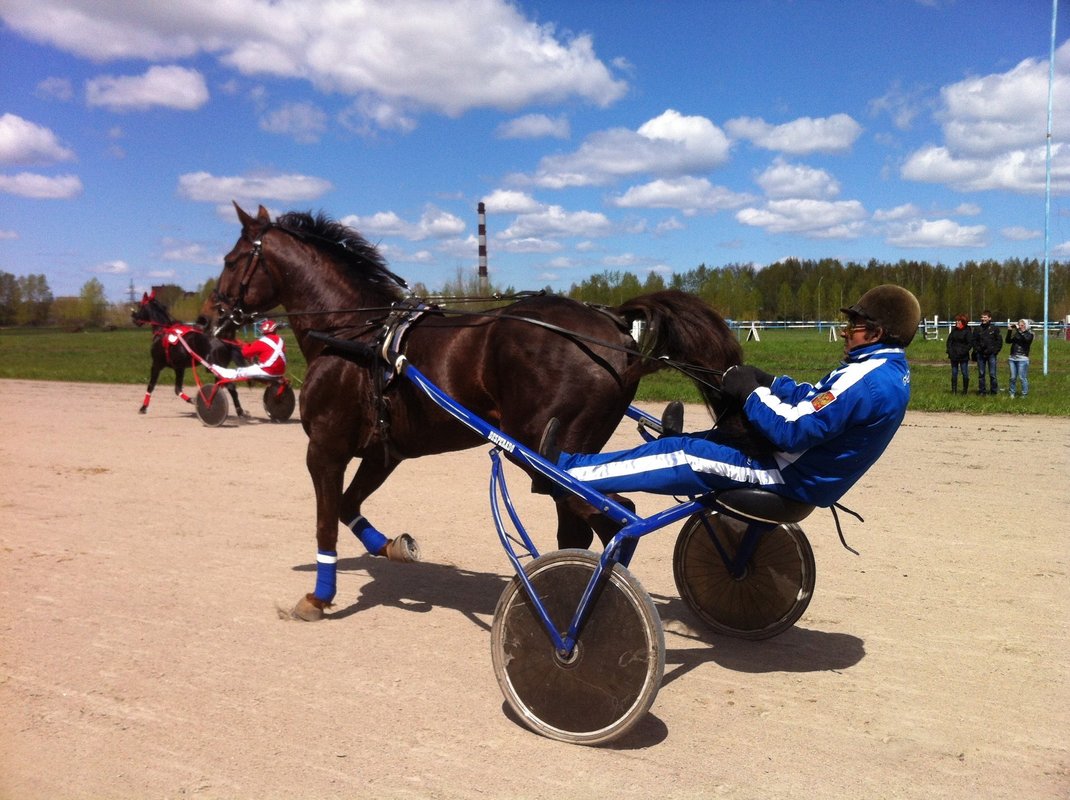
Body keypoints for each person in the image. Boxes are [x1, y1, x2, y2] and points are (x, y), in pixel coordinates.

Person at [539, 285, 920, 509]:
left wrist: (751, 393)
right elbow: (816, 401)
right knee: (697, 443)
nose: (846, 331)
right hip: (807, 471)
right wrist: (770, 382)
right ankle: (670, 442)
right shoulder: (886, 371)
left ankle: (566, 469)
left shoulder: (866, 378)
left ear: (874, 331)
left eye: (854, 325)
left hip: (789, 473)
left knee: (683, 456)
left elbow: (794, 430)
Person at [208, 319, 287, 381]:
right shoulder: (281, 340)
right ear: (275, 330)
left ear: (263, 331)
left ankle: (215, 368)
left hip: (266, 371)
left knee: (238, 372)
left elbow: (245, 353)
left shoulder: (262, 341)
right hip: (280, 372)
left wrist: (245, 345)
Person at [972, 310, 1002, 395]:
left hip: (991, 355)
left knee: (992, 374)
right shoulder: (977, 329)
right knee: (981, 374)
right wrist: (977, 350)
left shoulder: (994, 329)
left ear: (989, 318)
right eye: (982, 317)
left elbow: (999, 341)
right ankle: (982, 391)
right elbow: (974, 341)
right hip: (980, 355)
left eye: (985, 317)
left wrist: (995, 351)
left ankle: (994, 391)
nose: (983, 319)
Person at [1006, 319, 1034, 398]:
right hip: (1013, 357)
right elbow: (1008, 341)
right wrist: (1009, 331)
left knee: (1022, 377)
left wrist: (1019, 330)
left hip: (1023, 358)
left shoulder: (1030, 334)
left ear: (1026, 326)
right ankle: (1012, 393)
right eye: (1019, 325)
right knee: (1012, 377)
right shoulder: (1016, 334)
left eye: (1022, 325)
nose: (1020, 327)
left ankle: (1024, 394)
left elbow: (1026, 340)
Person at [945, 313, 973, 394]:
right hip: (953, 356)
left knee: (965, 373)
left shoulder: (967, 332)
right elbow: (949, 341)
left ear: (963, 322)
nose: (957, 323)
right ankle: (954, 391)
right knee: (954, 373)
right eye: (956, 321)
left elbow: (969, 344)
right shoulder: (954, 331)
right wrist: (949, 350)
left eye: (958, 321)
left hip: (963, 356)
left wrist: (962, 352)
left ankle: (965, 391)